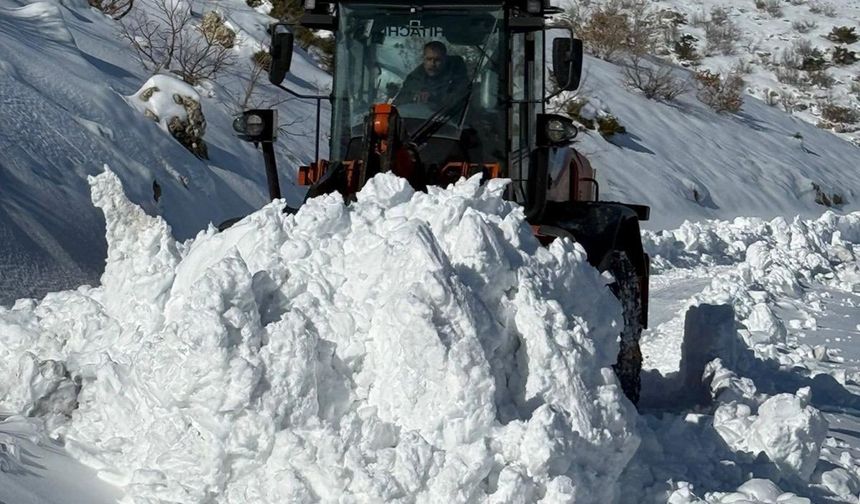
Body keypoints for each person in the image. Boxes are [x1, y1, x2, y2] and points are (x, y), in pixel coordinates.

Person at [394, 41, 468, 107]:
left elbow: (461, 99)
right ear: (423, 59)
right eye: (429, 59)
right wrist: (413, 96)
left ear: (445, 59)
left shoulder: (456, 73)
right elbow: (398, 102)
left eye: (437, 60)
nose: (432, 64)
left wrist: (433, 96)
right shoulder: (414, 78)